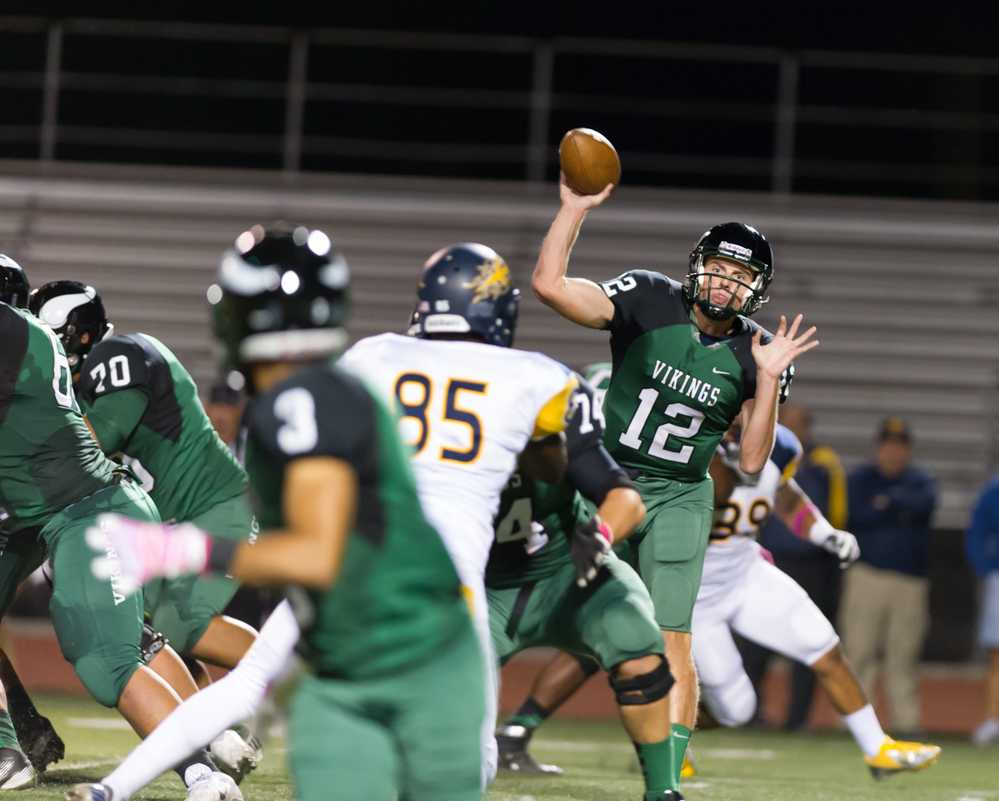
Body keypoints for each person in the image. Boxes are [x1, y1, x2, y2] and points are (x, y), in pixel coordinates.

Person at [73, 224, 487, 801]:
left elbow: (318, 553)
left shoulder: (301, 401)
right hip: (380, 636)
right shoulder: (317, 391)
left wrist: (181, 549)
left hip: (407, 645)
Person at [530, 174, 817, 792]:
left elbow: (751, 460)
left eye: (741, 277)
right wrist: (573, 209)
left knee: (673, 640)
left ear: (756, 290)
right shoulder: (648, 297)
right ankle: (491, 730)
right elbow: (549, 286)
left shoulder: (757, 353)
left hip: (682, 495)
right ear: (696, 267)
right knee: (526, 609)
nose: (726, 283)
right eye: (718, 268)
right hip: (605, 481)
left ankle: (664, 784)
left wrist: (768, 382)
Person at [337, 241, 578, 784]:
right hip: (452, 570)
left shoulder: (377, 354)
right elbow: (558, 468)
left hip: (369, 557)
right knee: (475, 746)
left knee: (262, 679)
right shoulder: (528, 374)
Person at [0, 257, 233, 799]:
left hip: (87, 511)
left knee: (106, 658)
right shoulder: (27, 338)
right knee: (124, 643)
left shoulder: (16, 333)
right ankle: (14, 741)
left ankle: (203, 774)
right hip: (55, 513)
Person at [489, 375, 681, 801]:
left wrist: (599, 536)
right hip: (482, 590)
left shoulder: (557, 403)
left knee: (636, 641)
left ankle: (663, 791)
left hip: (565, 571)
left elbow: (626, 499)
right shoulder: (421, 446)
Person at [745, 402, 848, 729]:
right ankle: (750, 713)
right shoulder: (757, 453)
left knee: (808, 641)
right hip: (766, 559)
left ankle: (797, 719)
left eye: (796, 423)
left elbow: (835, 512)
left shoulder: (822, 462)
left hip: (810, 565)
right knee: (753, 640)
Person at [839, 418, 937, 737]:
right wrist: (895, 506)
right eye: (888, 445)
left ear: (907, 450)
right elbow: (856, 514)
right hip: (867, 576)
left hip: (910, 582)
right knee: (859, 651)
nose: (893, 452)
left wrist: (887, 503)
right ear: (878, 447)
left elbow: (923, 506)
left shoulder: (921, 480)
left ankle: (906, 723)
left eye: (899, 446)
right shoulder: (860, 479)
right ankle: (856, 723)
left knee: (903, 655)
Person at [966, 474, 999, 745]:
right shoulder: (995, 489)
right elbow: (977, 531)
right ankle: (993, 719)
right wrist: (986, 569)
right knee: (997, 654)